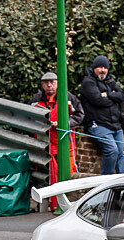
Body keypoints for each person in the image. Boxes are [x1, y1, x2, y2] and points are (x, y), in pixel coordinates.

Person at [30, 71, 84, 210]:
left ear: (57, 83)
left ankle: (67, 205)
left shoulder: (69, 98)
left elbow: (79, 115)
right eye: (46, 83)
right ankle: (49, 205)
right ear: (42, 85)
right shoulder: (35, 100)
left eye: (52, 82)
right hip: (44, 144)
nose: (49, 85)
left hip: (64, 142)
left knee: (67, 174)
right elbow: (29, 119)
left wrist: (64, 123)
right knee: (46, 175)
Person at [80, 55, 124, 175]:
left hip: (115, 125)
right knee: (112, 151)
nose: (103, 70)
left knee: (121, 154)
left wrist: (106, 94)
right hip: (98, 124)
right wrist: (112, 96)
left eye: (105, 67)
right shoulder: (88, 82)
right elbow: (97, 100)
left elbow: (121, 96)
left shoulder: (110, 80)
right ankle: (106, 181)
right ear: (94, 68)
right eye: (100, 67)